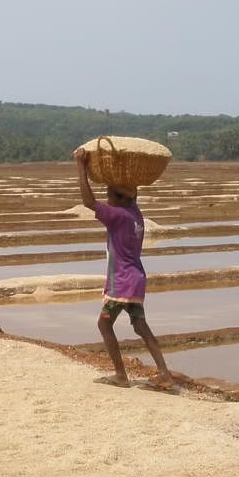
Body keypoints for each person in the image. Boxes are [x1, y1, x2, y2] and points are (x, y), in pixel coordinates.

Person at [73, 147, 175, 391]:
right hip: (137, 278)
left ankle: (120, 375)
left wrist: (81, 166)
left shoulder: (117, 215)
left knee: (104, 325)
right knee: (140, 326)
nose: (106, 197)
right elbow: (131, 195)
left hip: (121, 282)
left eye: (110, 193)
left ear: (119, 198)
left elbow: (88, 202)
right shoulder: (135, 213)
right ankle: (164, 374)